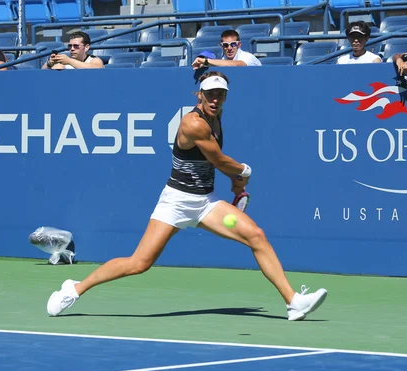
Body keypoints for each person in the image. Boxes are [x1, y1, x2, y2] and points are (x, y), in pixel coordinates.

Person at [46, 71, 327, 321]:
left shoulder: (216, 118)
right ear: (200, 95)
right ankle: (75, 288)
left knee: (257, 236)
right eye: (211, 95)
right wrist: (244, 172)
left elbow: (214, 165)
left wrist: (236, 185)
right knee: (138, 264)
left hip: (205, 204)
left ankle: (293, 301)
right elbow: (219, 160)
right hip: (176, 203)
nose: (216, 100)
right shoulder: (194, 124)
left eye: (221, 95)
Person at [192, 30, 262, 69]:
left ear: (239, 44)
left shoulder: (248, 57)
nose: (229, 48)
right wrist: (203, 66)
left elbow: (236, 65)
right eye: (225, 45)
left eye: (233, 44)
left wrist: (206, 61)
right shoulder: (223, 60)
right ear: (222, 46)